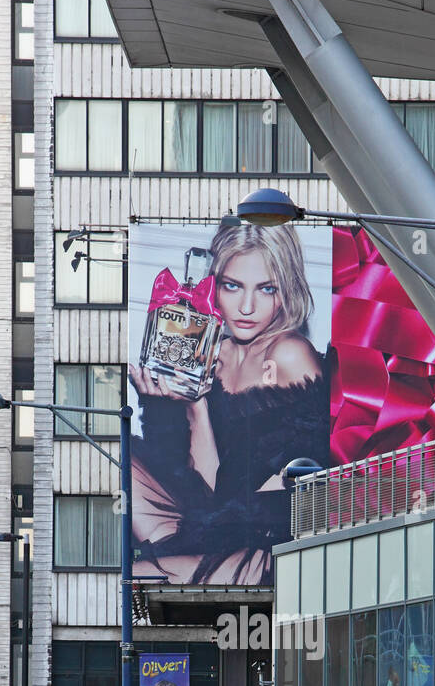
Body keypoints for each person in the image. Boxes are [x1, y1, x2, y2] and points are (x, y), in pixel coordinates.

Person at [129, 221, 329, 584]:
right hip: (210, 523)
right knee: (122, 454)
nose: (247, 307)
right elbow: (202, 487)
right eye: (232, 286)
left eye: (267, 289)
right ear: (213, 286)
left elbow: (288, 490)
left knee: (138, 577)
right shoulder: (214, 353)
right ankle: (182, 558)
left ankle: (181, 561)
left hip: (269, 545)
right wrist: (193, 407)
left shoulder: (290, 354)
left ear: (287, 291)